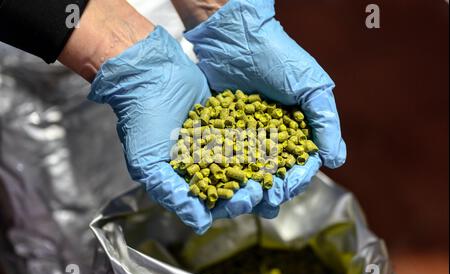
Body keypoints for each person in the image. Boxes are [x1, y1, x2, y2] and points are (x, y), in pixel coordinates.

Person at [0, 0, 346, 235]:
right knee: (62, 229)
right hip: (28, 37)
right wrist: (111, 44)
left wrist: (216, 9)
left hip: (156, 24)